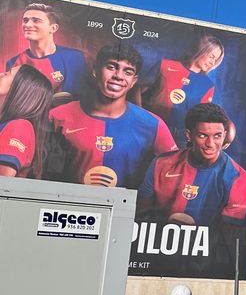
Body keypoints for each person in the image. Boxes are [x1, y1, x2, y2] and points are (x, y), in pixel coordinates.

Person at [47, 43, 176, 189]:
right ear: (95, 71)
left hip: (123, 209)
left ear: (133, 81)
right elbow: (44, 173)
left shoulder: (153, 125)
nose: (118, 76)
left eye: (127, 72)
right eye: (111, 67)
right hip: (67, 207)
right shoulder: (57, 116)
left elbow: (173, 175)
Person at [137, 103, 246, 229]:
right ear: (189, 135)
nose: (210, 144)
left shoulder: (239, 179)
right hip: (155, 243)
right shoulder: (161, 164)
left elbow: (228, 236)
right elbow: (141, 217)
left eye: (217, 136)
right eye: (203, 135)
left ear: (224, 135)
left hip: (208, 247)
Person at [138, 35, 224, 146]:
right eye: (211, 57)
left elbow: (201, 119)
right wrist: (140, 119)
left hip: (179, 140)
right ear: (201, 50)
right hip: (148, 130)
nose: (213, 63)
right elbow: (137, 91)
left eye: (216, 60)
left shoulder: (208, 85)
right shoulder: (165, 65)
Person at [4, 3, 89, 101]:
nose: (28, 25)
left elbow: (74, 99)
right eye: (25, 20)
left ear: (53, 28)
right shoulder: (13, 63)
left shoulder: (75, 58)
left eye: (36, 20)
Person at [0, 66, 54, 178]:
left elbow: (3, 183)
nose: (1, 74)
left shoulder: (19, 127)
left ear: (20, 88)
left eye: (7, 73)